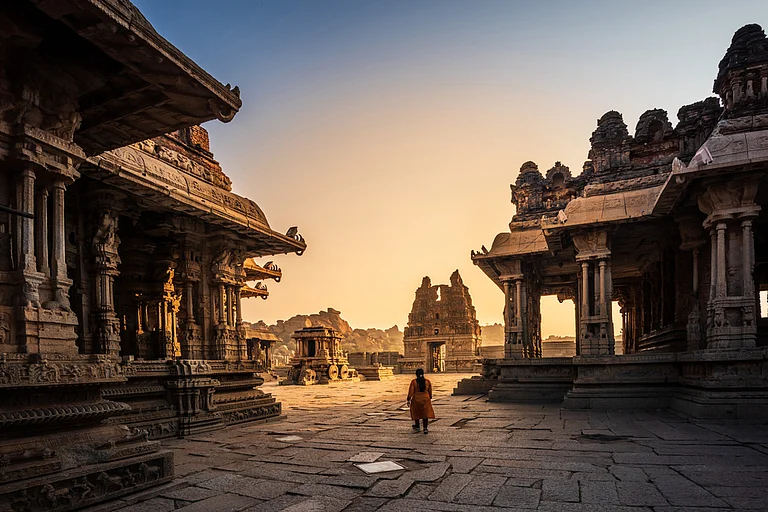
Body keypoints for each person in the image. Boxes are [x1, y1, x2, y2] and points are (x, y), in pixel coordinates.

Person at [407, 368, 435, 434]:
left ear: (416, 374)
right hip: (426, 398)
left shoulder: (414, 382)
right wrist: (430, 397)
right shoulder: (427, 381)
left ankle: (417, 425)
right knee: (425, 413)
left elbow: (411, 391)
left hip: (416, 398)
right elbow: (430, 391)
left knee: (416, 411)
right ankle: (425, 428)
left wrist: (408, 399)